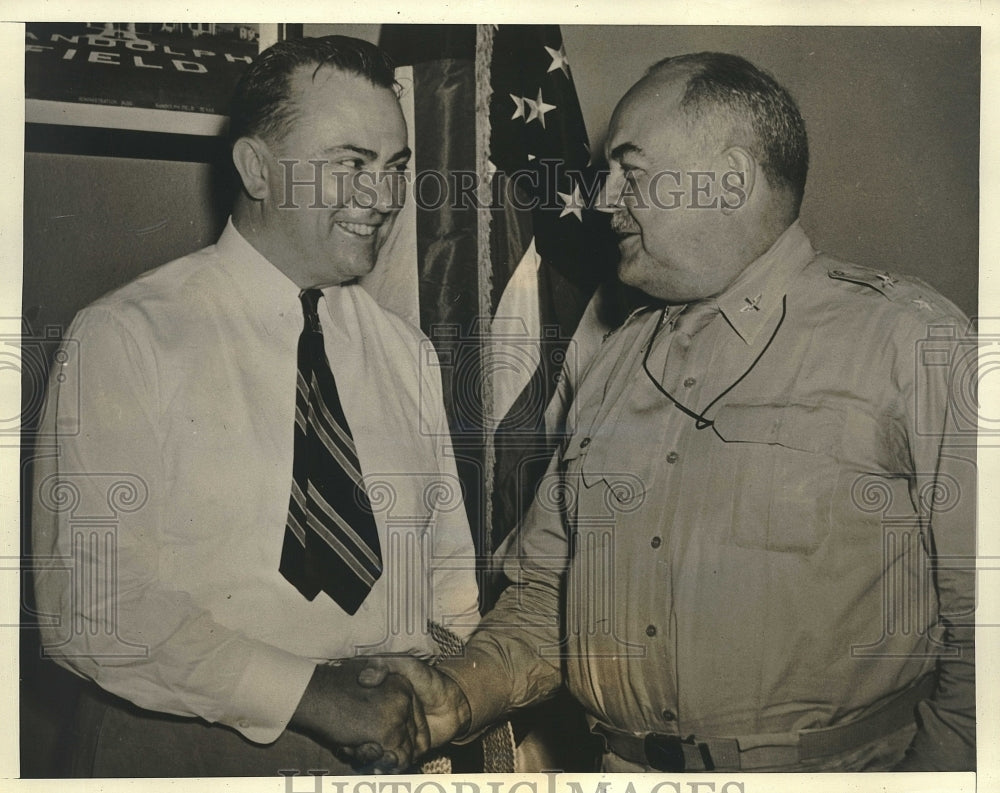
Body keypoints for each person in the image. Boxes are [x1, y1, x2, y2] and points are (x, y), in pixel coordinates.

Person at [357, 51, 976, 772]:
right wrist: (457, 696)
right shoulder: (614, 359)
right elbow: (550, 598)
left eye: (631, 170)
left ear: (732, 180)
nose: (600, 199)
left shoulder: (911, 343)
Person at [31, 35, 479, 777]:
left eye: (396, 168)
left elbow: (448, 583)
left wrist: (438, 690)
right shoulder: (126, 336)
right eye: (350, 165)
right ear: (257, 169)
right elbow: (89, 603)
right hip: (184, 752)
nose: (383, 197)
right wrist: (309, 693)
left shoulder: (407, 354)